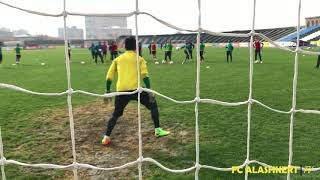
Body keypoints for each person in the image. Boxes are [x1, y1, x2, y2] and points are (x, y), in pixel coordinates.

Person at [102, 36, 170, 145]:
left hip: (121, 91)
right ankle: (158, 130)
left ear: (124, 46)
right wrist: (149, 90)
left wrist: (108, 90)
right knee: (153, 104)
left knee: (116, 114)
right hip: (136, 90)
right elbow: (145, 76)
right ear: (135, 47)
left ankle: (106, 137)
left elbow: (109, 76)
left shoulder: (118, 59)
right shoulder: (140, 59)